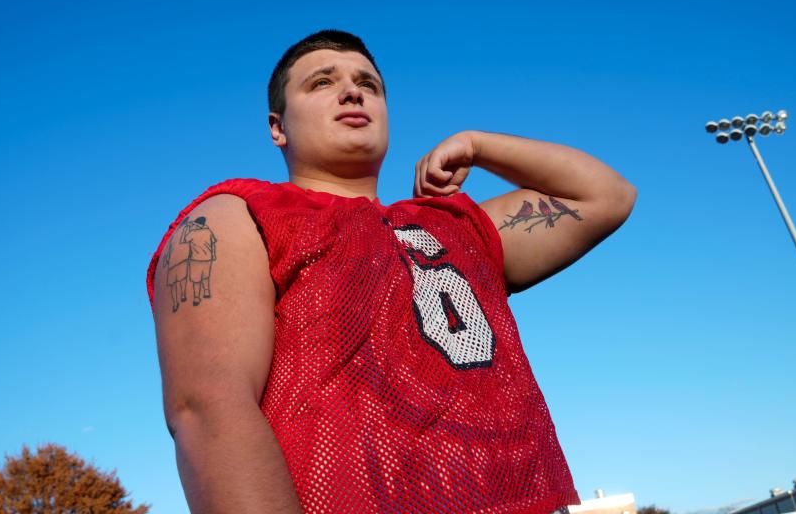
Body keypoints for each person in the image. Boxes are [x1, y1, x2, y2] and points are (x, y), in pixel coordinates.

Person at [146, 30, 637, 514]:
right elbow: (210, 407)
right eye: (321, 82)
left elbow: (605, 197)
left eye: (370, 84)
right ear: (278, 126)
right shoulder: (240, 213)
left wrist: (478, 144)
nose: (352, 91)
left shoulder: (454, 227)